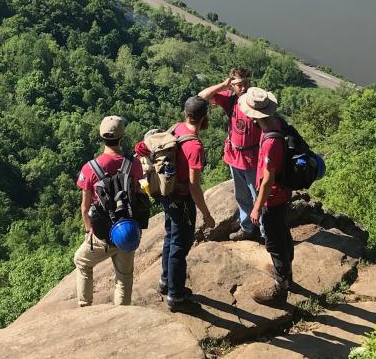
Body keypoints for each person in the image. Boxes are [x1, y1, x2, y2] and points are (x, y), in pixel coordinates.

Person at [140, 97, 216, 311]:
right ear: (204, 118)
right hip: (182, 200)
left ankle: (166, 282)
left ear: (185, 114)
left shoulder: (176, 129)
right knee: (179, 248)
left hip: (167, 195)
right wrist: (206, 215)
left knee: (170, 238)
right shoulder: (194, 146)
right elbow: (194, 186)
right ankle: (176, 296)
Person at [74, 115, 144, 307]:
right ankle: (121, 313)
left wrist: (90, 231)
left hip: (102, 233)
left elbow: (85, 207)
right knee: (124, 277)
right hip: (127, 230)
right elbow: (137, 195)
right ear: (122, 138)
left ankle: (85, 305)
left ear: (101, 137)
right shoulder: (133, 164)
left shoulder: (90, 168)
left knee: (81, 262)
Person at [239, 88, 294, 305]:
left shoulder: (271, 141)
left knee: (274, 243)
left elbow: (268, 179)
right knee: (283, 234)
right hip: (283, 193)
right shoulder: (277, 123)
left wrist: (256, 206)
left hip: (273, 197)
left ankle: (280, 289)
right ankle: (286, 274)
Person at [198, 67, 262, 241]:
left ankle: (265, 233)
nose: (243, 88)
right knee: (241, 195)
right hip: (235, 156)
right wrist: (224, 85)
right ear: (232, 85)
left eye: (246, 83)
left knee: (259, 197)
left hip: (254, 158)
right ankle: (247, 228)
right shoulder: (231, 99)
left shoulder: (256, 99)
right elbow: (202, 97)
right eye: (239, 85)